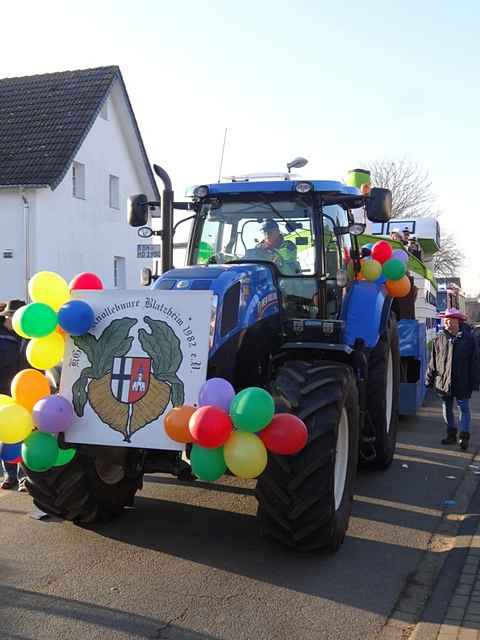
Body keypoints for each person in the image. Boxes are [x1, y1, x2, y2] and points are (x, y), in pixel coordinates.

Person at [425, 308, 479, 449]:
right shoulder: (439, 338)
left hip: (463, 381)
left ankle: (464, 437)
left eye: (450, 320)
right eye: (446, 320)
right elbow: (433, 361)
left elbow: (475, 362)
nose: (447, 323)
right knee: (447, 408)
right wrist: (429, 379)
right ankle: (451, 435)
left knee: (464, 408)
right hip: (443, 382)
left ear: (458, 321)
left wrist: (475, 381)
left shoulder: (469, 339)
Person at [0, 299, 28, 490]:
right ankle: (9, 475)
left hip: (26, 392)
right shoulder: (1, 336)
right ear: (8, 317)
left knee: (25, 434)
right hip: (3, 392)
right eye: (12, 317)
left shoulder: (29, 334)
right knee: (7, 434)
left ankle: (23, 477)